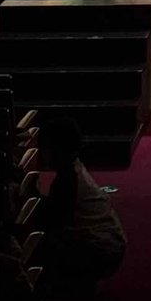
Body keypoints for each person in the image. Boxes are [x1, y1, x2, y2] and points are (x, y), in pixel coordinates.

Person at [39, 116, 127, 288]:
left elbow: (52, 221)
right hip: (110, 245)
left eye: (45, 148)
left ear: (56, 150)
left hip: (101, 250)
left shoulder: (67, 180)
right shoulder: (74, 169)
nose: (42, 154)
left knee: (43, 244)